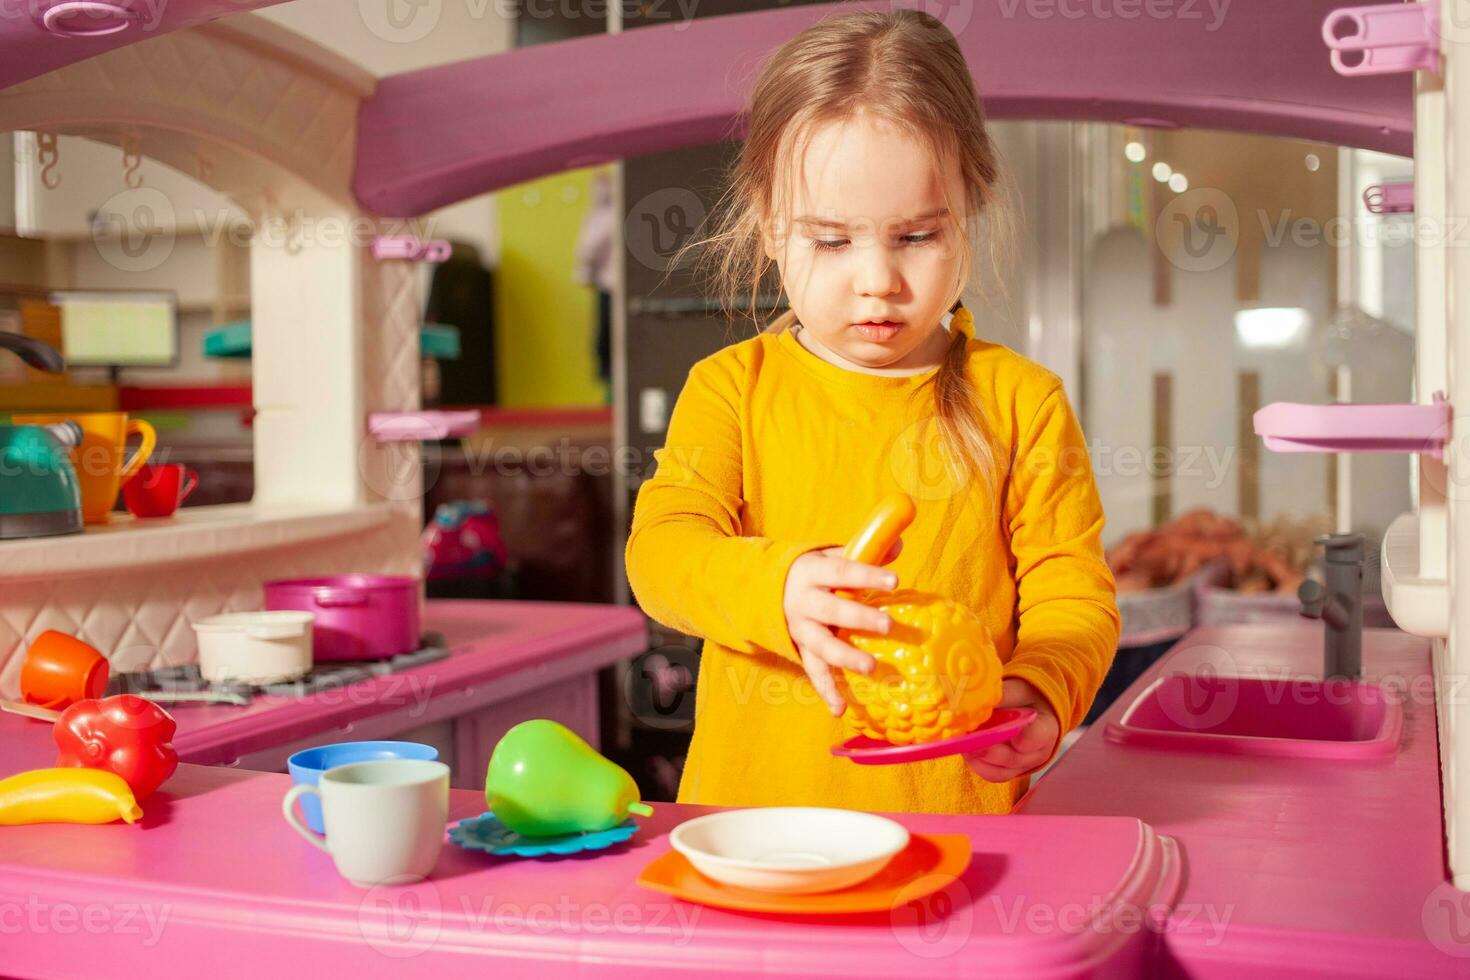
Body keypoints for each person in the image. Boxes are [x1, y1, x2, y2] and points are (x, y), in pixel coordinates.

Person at [624, 9, 1119, 814]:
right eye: (830, 241)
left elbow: (1073, 589)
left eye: (917, 236)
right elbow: (662, 553)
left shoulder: (1022, 401)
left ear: (971, 208)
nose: (877, 280)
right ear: (767, 224)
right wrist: (775, 587)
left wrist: (1040, 684)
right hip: (763, 830)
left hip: (964, 832)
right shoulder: (730, 389)